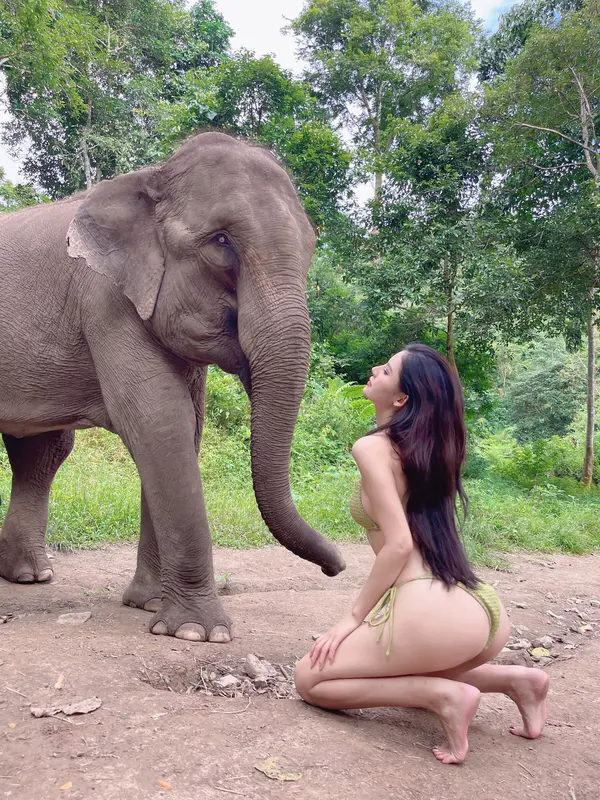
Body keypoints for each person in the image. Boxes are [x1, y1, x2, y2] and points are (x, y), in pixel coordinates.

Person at [294, 343, 549, 765]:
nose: (375, 368)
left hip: (429, 610)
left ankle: (444, 696)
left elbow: (399, 544)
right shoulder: (427, 449)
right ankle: (515, 680)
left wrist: (352, 619)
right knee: (399, 666)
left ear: (401, 398)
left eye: (387, 369)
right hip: (478, 608)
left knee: (310, 680)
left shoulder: (372, 448)